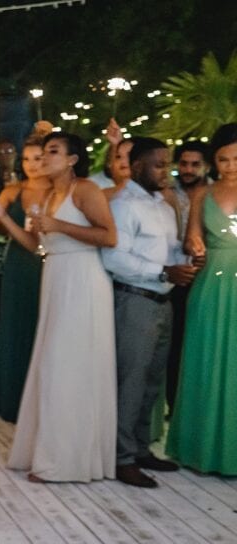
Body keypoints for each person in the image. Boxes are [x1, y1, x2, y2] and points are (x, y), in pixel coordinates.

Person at [0, 133, 118, 483]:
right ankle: (44, 451)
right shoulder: (48, 195)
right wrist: (4, 217)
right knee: (49, 363)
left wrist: (60, 224)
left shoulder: (85, 190)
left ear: (74, 159)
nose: (45, 158)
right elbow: (36, 244)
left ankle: (67, 461)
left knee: (69, 365)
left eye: (53, 152)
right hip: (55, 274)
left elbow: (109, 236)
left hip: (83, 279)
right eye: (44, 152)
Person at [103, 137, 197, 487]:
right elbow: (114, 258)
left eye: (166, 163)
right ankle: (121, 457)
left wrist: (187, 260)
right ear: (138, 166)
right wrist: (162, 273)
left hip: (163, 301)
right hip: (135, 300)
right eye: (159, 164)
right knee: (131, 381)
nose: (166, 171)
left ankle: (140, 448)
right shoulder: (124, 205)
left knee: (151, 381)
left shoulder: (162, 205)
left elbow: (169, 251)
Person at [166, 123, 237, 474]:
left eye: (236, 158)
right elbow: (190, 239)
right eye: (223, 159)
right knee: (207, 359)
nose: (230, 166)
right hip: (211, 284)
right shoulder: (203, 195)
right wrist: (195, 246)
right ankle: (204, 446)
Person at [0, 136, 49, 422]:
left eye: (38, 158)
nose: (32, 165)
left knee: (42, 326)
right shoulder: (13, 190)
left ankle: (41, 400)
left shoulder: (58, 191)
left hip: (49, 264)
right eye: (26, 159)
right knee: (15, 326)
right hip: (18, 264)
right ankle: (11, 398)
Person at [165, 140, 211, 412]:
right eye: (183, 163)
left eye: (195, 164)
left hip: (211, 277)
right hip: (175, 278)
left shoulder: (217, 193)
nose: (188, 169)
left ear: (206, 166)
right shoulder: (166, 193)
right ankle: (175, 405)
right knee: (176, 345)